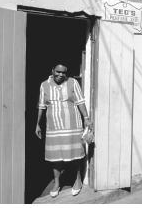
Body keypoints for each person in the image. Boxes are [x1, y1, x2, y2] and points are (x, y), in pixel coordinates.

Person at [35, 64, 92, 197]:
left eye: (63, 73)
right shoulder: (44, 85)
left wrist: (86, 118)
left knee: (75, 153)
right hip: (53, 126)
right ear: (52, 71)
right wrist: (37, 124)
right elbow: (41, 106)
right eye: (58, 72)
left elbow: (80, 102)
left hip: (73, 125)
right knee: (55, 156)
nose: (60, 75)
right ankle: (56, 183)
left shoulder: (73, 83)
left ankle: (77, 180)